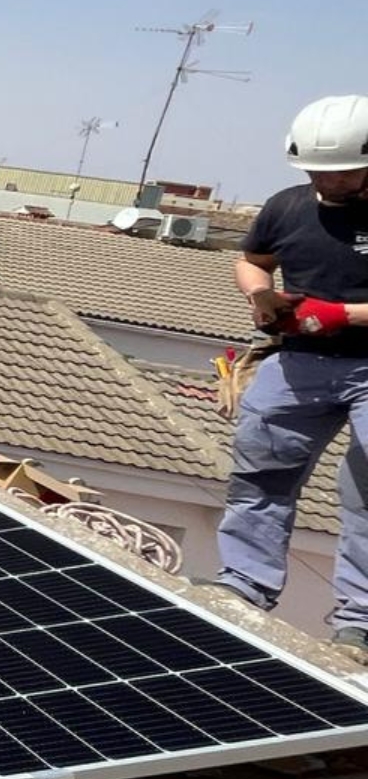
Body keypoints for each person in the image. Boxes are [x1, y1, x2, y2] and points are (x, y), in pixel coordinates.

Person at [215, 95, 368, 654]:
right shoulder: (288, 206)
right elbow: (252, 259)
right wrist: (260, 295)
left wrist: (344, 314)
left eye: (341, 172)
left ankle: (360, 622)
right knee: (261, 475)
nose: (326, 182)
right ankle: (244, 585)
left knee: (366, 491)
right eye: (316, 172)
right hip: (299, 362)